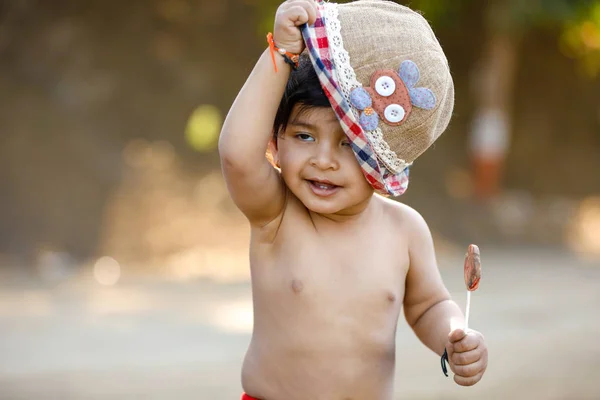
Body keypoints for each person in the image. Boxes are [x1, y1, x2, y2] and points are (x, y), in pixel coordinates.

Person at [219, 0, 488, 399]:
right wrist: (282, 52)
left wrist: (454, 334)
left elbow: (428, 305)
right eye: (303, 136)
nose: (323, 161)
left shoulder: (404, 229)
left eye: (348, 145)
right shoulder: (277, 215)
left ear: (383, 158)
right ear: (274, 140)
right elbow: (238, 155)